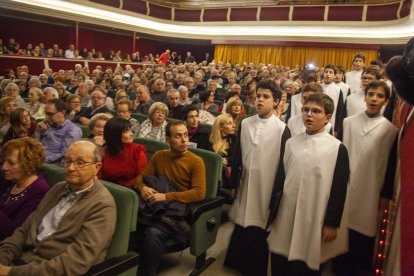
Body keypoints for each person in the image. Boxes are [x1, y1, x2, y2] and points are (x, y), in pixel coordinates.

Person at [0, 140, 116, 275]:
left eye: (80, 163)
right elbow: (24, 230)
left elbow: (75, 263)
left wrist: (11, 272)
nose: (71, 168)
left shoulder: (102, 205)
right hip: (23, 261)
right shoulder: (58, 188)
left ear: (96, 168)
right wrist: (3, 258)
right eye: (68, 161)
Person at [267, 93, 349, 275]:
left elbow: (339, 189)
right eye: (305, 110)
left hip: (315, 214)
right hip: (287, 213)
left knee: (306, 262)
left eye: (316, 111)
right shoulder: (291, 143)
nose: (309, 114)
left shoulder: (337, 148)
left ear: (328, 118)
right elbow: (281, 178)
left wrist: (331, 223)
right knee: (281, 258)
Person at [224, 80, 291, 275]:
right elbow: (237, 155)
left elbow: (283, 166)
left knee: (260, 226)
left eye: (266, 97)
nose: (260, 100)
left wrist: (277, 194)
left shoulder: (281, 129)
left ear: (276, 101)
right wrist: (234, 183)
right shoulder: (245, 123)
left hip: (267, 185)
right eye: (258, 96)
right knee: (243, 221)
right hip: (246, 183)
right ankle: (238, 264)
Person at [333, 81, 397, 275]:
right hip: (347, 184)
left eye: (379, 96)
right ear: (365, 96)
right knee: (342, 227)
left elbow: (391, 166)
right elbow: (339, 155)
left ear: (385, 100)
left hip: (371, 188)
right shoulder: (348, 122)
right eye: (371, 94)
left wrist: (385, 194)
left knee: (364, 232)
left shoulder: (390, 130)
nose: (374, 99)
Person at [134, 120, 206, 276]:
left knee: (153, 234)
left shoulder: (196, 161)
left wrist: (166, 196)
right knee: (132, 221)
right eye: (178, 136)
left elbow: (199, 193)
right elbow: (141, 178)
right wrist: (143, 188)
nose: (184, 140)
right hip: (157, 205)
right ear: (168, 140)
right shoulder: (160, 155)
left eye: (186, 135)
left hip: (178, 211)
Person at [0, 138, 49, 240]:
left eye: (11, 163)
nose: (4, 167)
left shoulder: (40, 192)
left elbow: (15, 233)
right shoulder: (10, 181)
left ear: (29, 165)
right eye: (4, 161)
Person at [99, 118, 147, 188]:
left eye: (130, 130)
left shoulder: (137, 150)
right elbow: (98, 176)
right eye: (126, 131)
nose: (131, 134)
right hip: (105, 188)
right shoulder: (103, 152)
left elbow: (142, 176)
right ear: (115, 134)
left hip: (130, 189)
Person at [36, 99, 82, 164]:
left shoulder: (73, 131)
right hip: (37, 159)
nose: (46, 117)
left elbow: (64, 155)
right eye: (46, 114)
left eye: (50, 114)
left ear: (63, 113)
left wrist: (39, 160)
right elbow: (35, 146)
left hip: (50, 166)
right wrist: (38, 133)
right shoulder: (47, 125)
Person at [209, 114, 236, 188]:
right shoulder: (208, 141)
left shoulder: (234, 139)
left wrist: (226, 160)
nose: (234, 125)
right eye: (229, 123)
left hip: (226, 177)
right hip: (211, 175)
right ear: (220, 127)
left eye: (233, 122)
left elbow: (236, 158)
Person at [321, 64, 345, 135]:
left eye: (331, 72)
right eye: (326, 72)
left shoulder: (338, 90)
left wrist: (336, 128)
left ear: (334, 75)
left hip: (332, 122)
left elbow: (340, 110)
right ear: (323, 74)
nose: (328, 74)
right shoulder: (318, 87)